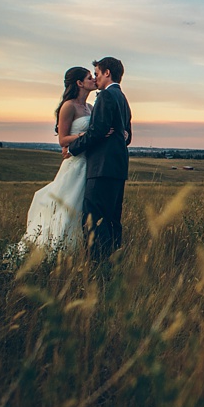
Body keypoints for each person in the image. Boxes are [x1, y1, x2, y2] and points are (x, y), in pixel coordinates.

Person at [16, 67, 98, 258]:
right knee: (67, 208)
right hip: (75, 163)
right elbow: (62, 140)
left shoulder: (91, 108)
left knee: (82, 210)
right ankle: (55, 252)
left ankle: (78, 253)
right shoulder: (68, 106)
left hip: (89, 164)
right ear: (79, 83)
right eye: (89, 77)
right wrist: (84, 135)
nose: (93, 79)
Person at [66, 57, 132, 264]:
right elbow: (128, 135)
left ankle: (97, 265)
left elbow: (97, 131)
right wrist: (116, 135)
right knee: (112, 220)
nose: (95, 78)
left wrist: (73, 147)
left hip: (101, 167)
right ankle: (113, 261)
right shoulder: (122, 98)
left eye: (97, 73)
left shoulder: (105, 97)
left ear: (107, 73)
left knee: (93, 220)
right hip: (118, 167)